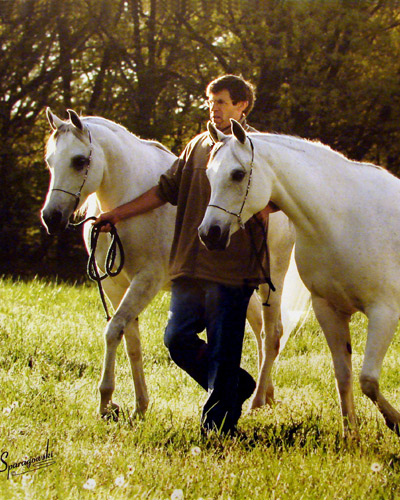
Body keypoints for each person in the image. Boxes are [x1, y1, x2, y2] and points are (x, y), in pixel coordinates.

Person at [94, 75, 274, 435]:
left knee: (224, 348)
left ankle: (218, 428)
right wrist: (117, 214)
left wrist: (265, 209)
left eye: (222, 102)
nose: (214, 108)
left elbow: (281, 195)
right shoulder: (197, 146)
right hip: (189, 264)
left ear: (242, 106)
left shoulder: (257, 150)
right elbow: (164, 191)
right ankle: (236, 385)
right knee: (176, 339)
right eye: (211, 102)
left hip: (232, 266)